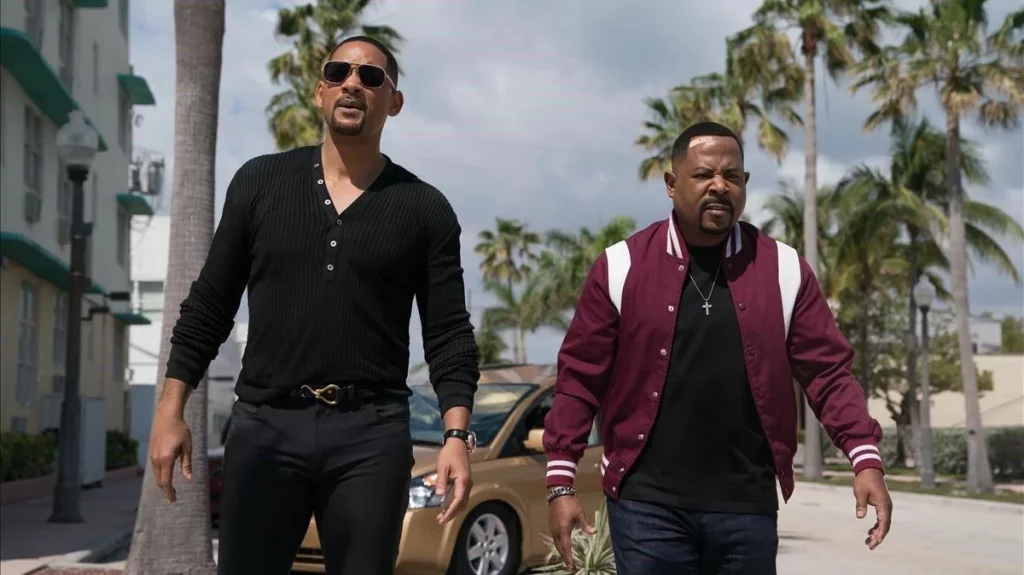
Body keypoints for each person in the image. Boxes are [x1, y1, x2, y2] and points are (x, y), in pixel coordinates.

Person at [147, 36, 480, 575]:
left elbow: (448, 334)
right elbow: (210, 304)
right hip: (265, 424)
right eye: (338, 72)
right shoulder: (259, 182)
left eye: (371, 77)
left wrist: (456, 436)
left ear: (393, 102)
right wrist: (170, 410)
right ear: (319, 91)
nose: (353, 84)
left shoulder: (425, 209)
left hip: (371, 433)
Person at [543, 121, 893, 574]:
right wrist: (561, 481)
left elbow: (828, 373)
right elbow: (579, 378)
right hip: (646, 504)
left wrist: (864, 457)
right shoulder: (621, 266)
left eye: (731, 176)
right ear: (671, 184)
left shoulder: (784, 269)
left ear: (744, 183)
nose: (719, 186)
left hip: (746, 504)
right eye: (703, 174)